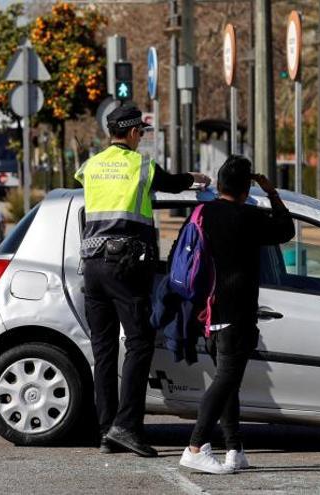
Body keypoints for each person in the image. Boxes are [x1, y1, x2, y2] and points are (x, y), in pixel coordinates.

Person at [74, 106, 210, 457]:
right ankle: (127, 427)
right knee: (139, 344)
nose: (142, 138)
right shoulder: (142, 166)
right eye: (142, 132)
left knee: (103, 351)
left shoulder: (91, 166)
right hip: (125, 267)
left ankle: (106, 430)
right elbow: (173, 183)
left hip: (92, 266)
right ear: (134, 133)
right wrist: (196, 178)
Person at [178, 156, 294, 474]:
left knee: (228, 381)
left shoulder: (203, 213)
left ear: (219, 183)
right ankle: (194, 446)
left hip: (209, 310)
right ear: (246, 189)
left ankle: (234, 448)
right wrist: (271, 193)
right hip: (236, 311)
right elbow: (286, 230)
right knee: (226, 379)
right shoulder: (248, 216)